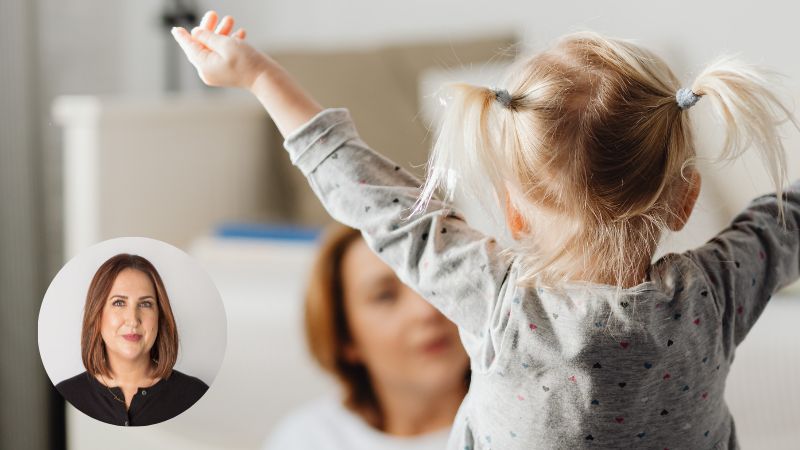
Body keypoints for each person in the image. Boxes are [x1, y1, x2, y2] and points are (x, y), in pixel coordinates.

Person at [172, 11, 800, 449]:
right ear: (684, 200)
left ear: (514, 210)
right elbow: (788, 220)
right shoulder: (716, 291)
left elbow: (371, 198)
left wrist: (258, 76)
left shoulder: (501, 301)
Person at [264, 223, 470, 450]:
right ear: (345, 337)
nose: (427, 311)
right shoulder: (305, 440)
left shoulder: (511, 433)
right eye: (385, 296)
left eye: (434, 281)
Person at [55, 253, 208, 426]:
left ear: (160, 316)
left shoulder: (196, 395)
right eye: (119, 303)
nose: (133, 320)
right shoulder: (64, 396)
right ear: (97, 314)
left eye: (145, 304)